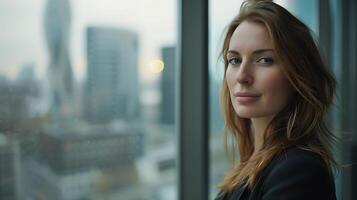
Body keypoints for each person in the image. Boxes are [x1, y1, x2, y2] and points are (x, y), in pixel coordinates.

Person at [215, 0, 337, 199]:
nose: (242, 76)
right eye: (235, 60)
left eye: (264, 60)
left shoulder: (299, 170)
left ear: (298, 74)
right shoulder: (254, 161)